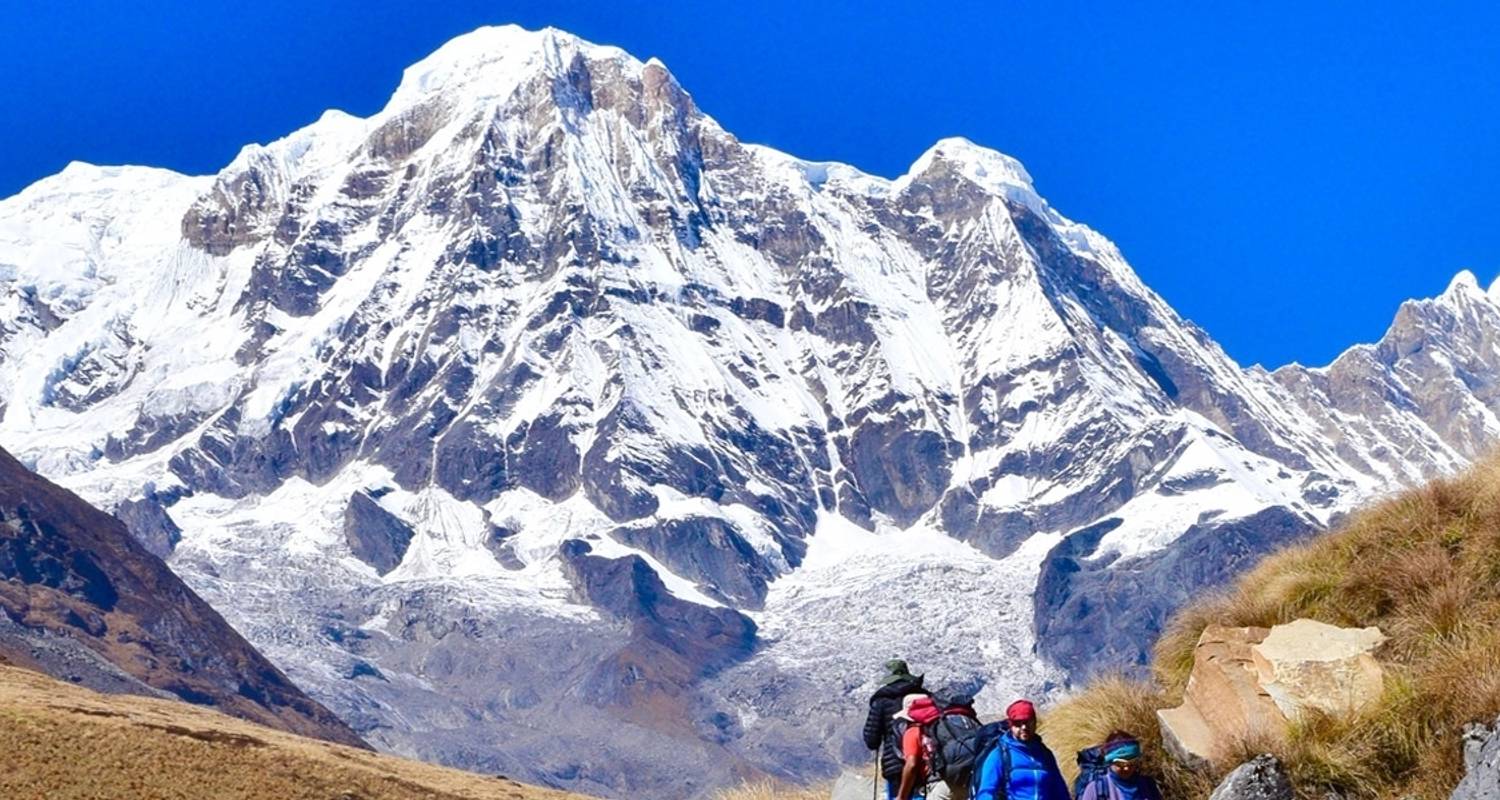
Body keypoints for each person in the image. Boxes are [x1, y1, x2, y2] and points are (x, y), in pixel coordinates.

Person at [972, 699, 1070, 800]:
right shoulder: (1000, 754)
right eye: (1018, 723)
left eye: (1028, 722)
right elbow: (986, 792)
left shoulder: (1045, 754)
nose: (1024, 727)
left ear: (1035, 722)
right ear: (1010, 725)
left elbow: (1060, 791)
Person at [863, 659, 929, 800]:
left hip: (895, 763)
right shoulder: (924, 697)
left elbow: (871, 740)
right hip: (926, 762)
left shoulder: (881, 701)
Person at [1076, 732, 1162, 800]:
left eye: (1131, 763)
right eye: (1120, 764)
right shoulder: (1096, 789)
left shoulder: (1147, 784)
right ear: (1110, 762)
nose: (1126, 768)